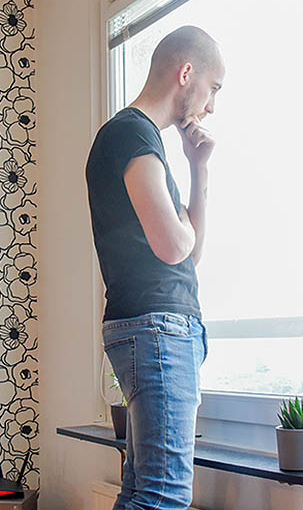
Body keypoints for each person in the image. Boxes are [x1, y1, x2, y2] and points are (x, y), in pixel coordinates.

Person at [85, 25, 225, 509]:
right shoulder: (131, 133)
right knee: (162, 496)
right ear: (187, 73)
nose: (211, 106)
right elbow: (173, 245)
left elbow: (190, 253)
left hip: (152, 326)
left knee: (144, 492)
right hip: (158, 328)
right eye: (213, 89)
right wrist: (181, 225)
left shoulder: (142, 142)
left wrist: (198, 167)